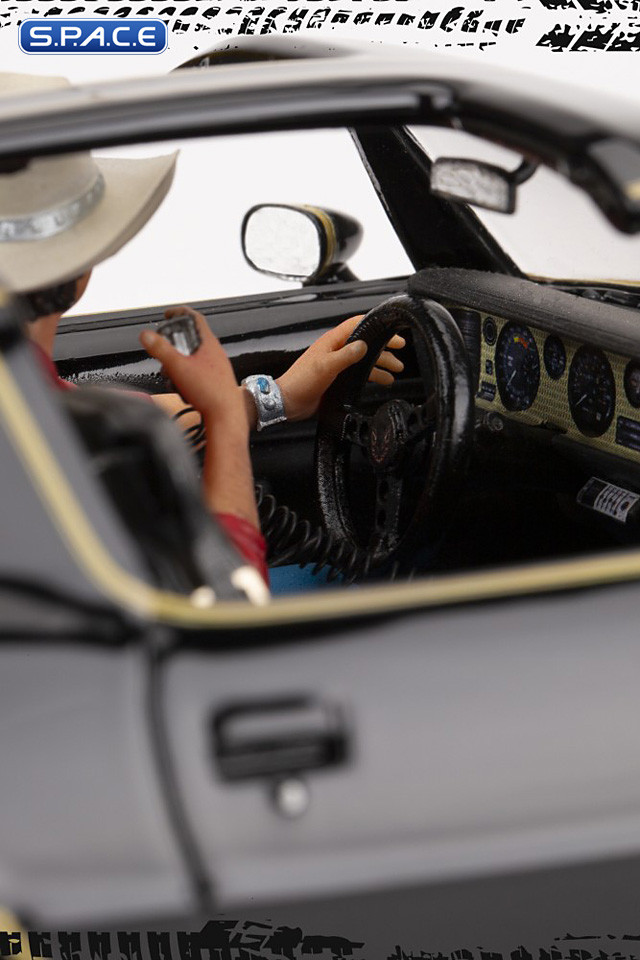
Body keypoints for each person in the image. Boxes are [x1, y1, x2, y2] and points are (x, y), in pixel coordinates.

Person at [0, 71, 404, 590]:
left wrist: (272, 397)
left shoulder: (36, 398)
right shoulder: (49, 429)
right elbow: (235, 595)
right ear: (81, 271)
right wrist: (223, 422)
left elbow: (73, 413)